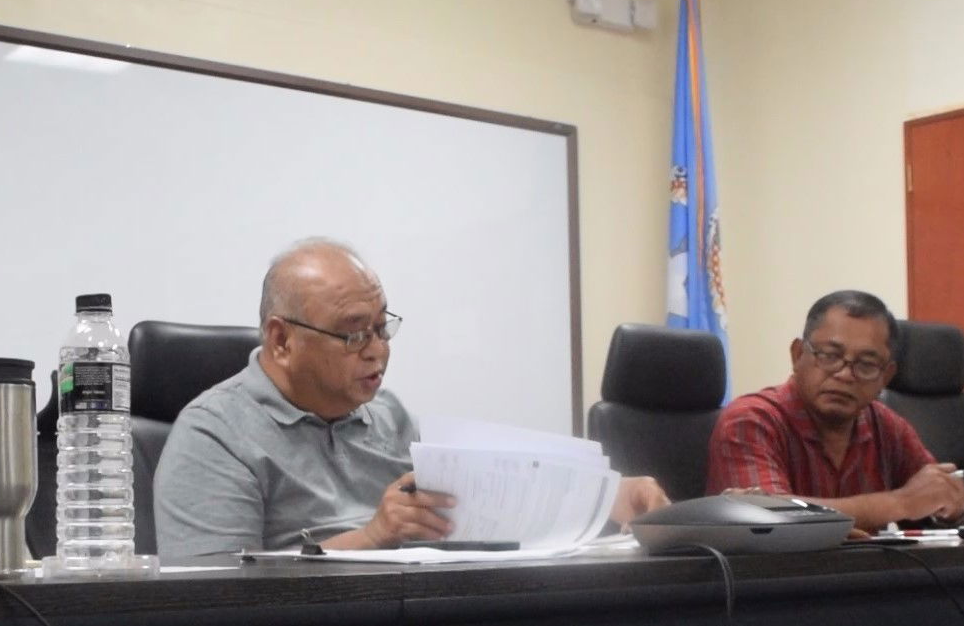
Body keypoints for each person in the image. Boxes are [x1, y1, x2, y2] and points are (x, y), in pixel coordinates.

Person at [153, 238, 669, 558]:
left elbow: (484, 498)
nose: (377, 351)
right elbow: (216, 592)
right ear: (282, 340)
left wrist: (604, 496)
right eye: (354, 334)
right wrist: (372, 537)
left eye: (382, 329)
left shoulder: (387, 415)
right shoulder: (214, 434)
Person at [707, 289, 964, 531]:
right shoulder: (750, 420)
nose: (844, 375)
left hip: (870, 575)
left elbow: (932, 497)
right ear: (797, 355)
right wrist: (899, 503)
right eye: (829, 355)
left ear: (885, 377)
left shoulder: (887, 427)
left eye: (866, 364)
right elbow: (767, 518)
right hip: (771, 578)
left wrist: (950, 505)